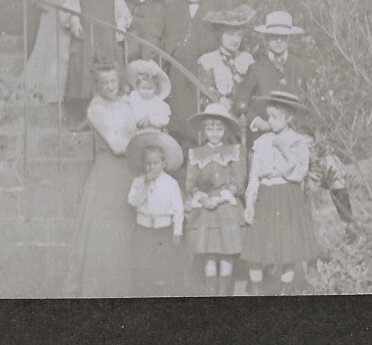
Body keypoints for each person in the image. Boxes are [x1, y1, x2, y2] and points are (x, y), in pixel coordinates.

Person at [68, 61, 141, 297]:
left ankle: (125, 287)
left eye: (113, 81)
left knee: (126, 227)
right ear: (97, 85)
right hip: (109, 170)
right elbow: (117, 145)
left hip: (128, 170)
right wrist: (141, 140)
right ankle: (103, 288)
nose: (110, 86)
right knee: (107, 230)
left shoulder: (125, 103)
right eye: (105, 82)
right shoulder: (96, 109)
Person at [242, 91, 322, 295]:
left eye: (276, 117)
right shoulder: (262, 142)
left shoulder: (298, 142)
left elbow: (298, 174)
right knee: (256, 251)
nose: (271, 121)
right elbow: (254, 176)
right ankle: (257, 292)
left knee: (288, 250)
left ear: (289, 118)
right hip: (266, 196)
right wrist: (250, 203)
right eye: (269, 116)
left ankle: (284, 292)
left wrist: (285, 150)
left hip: (288, 196)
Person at [182, 103, 247, 296]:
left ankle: (224, 293)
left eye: (219, 128)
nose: (215, 132)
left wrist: (219, 199)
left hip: (226, 206)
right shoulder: (195, 153)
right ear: (203, 129)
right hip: (205, 209)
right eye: (210, 128)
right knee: (209, 254)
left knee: (226, 253)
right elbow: (190, 183)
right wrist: (202, 198)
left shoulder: (235, 150)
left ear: (225, 129)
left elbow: (238, 181)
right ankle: (212, 294)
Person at [125, 130, 186, 297]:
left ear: (163, 164)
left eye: (155, 163)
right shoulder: (138, 181)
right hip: (143, 228)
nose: (151, 167)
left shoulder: (170, 183)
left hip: (164, 229)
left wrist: (177, 231)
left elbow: (178, 209)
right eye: (148, 164)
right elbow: (133, 202)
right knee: (143, 265)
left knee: (163, 265)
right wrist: (145, 184)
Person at [161, 0, 213, 141]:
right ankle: (181, 145)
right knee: (178, 106)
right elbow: (167, 35)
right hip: (177, 61)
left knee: (196, 105)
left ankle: (197, 142)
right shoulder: (175, 7)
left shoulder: (212, 7)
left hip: (200, 61)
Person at [232, 11, 314, 123]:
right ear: (266, 37)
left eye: (283, 36)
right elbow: (241, 103)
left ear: (289, 38)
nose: (279, 40)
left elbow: (310, 103)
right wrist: (256, 121)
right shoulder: (256, 68)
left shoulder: (300, 66)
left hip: (295, 131)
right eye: (274, 36)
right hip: (264, 131)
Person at [197, 5, 256, 106]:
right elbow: (205, 92)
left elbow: (252, 91)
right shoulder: (208, 60)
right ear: (219, 35)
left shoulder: (247, 59)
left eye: (239, 35)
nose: (235, 40)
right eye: (230, 35)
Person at [124, 59, 172, 132]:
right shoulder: (135, 98)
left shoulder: (158, 103)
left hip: (154, 133)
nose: (147, 92)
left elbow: (165, 119)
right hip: (136, 132)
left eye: (150, 89)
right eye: (143, 88)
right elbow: (127, 111)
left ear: (156, 89)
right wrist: (137, 119)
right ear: (137, 87)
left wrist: (150, 119)